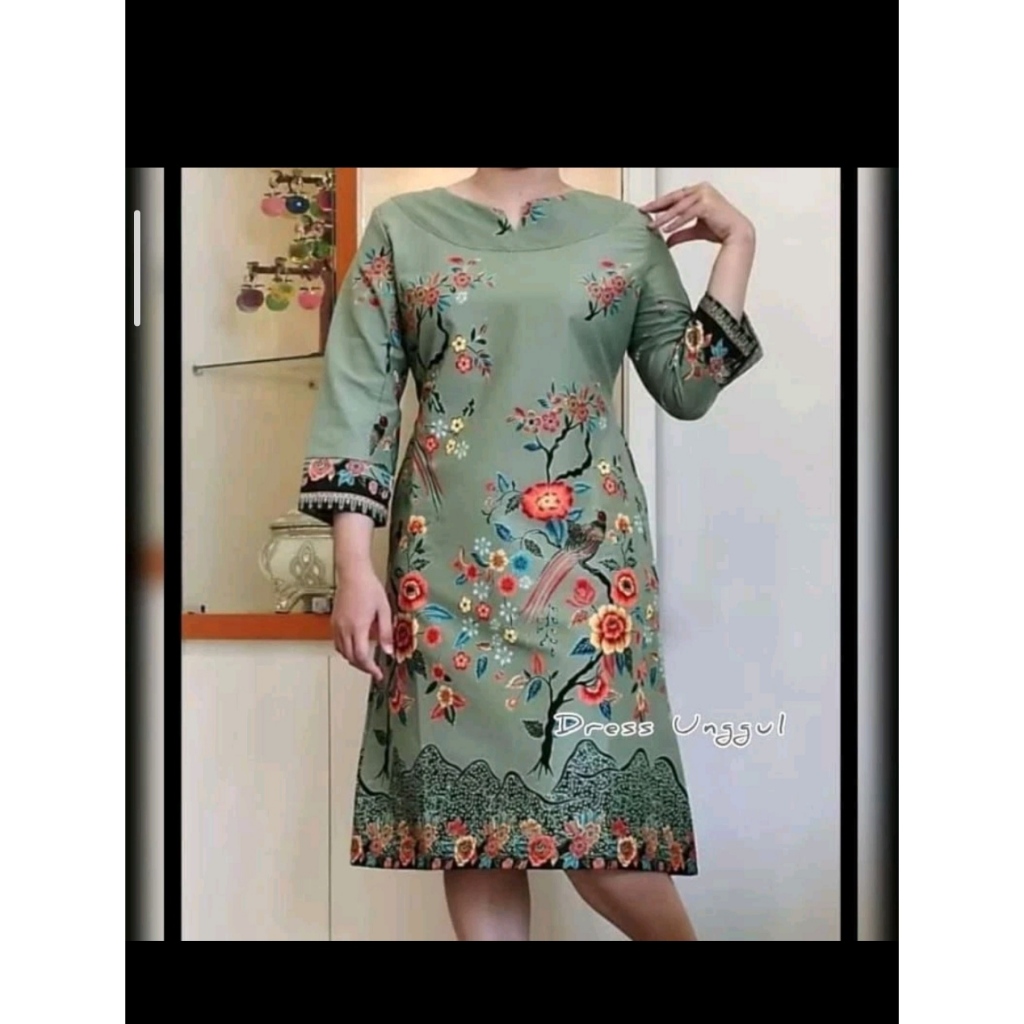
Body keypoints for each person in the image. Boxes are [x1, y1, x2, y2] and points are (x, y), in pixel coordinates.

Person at [298, 168, 762, 941]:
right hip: (443, 575)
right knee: (474, 839)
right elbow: (359, 398)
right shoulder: (400, 228)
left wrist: (738, 244)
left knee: (604, 832)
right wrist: (352, 566)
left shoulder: (624, 233)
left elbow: (687, 387)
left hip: (589, 577)